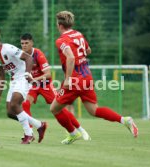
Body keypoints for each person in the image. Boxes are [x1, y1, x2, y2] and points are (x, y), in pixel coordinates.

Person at [50, 11, 138, 144]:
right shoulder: (78, 34)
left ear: (60, 25)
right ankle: (125, 120)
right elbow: (88, 50)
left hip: (75, 79)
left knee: (55, 108)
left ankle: (73, 133)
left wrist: (68, 78)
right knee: (94, 110)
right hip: (87, 76)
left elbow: (71, 57)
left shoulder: (61, 40)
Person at [19, 33, 90, 140]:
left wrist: (34, 79)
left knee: (59, 109)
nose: (24, 45)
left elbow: (48, 74)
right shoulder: (21, 55)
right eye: (22, 43)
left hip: (45, 85)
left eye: (26, 43)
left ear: (32, 43)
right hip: (33, 86)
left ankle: (80, 129)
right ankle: (30, 133)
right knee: (25, 104)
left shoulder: (38, 54)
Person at [0, 27, 47, 144]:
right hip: (14, 81)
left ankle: (28, 135)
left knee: (14, 104)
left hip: (23, 77)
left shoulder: (8, 48)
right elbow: (1, 76)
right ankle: (39, 125)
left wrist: (27, 73)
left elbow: (29, 58)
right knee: (10, 112)